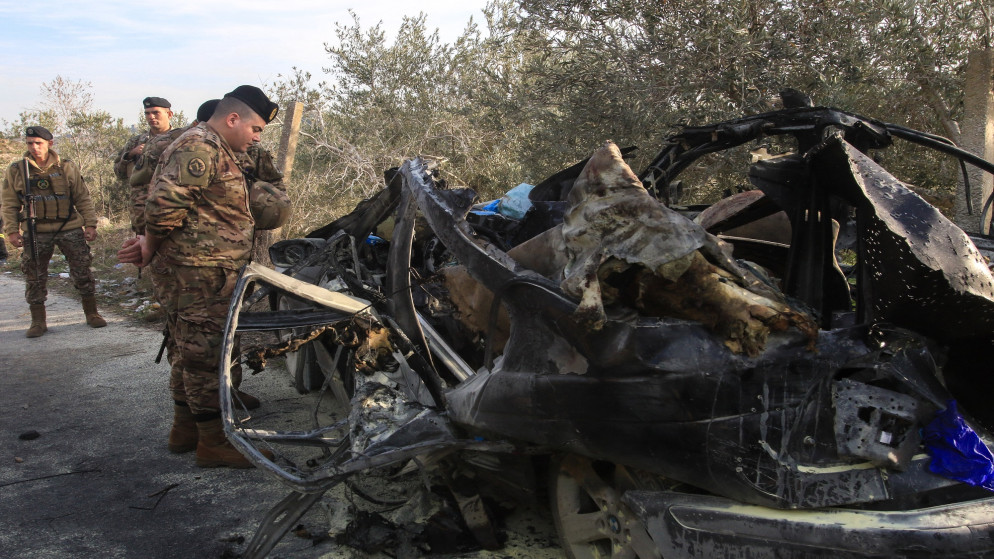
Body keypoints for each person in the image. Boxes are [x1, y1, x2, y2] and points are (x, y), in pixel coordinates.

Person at [118, 86, 280, 468]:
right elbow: (161, 210)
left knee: (189, 353)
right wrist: (149, 247)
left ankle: (185, 429)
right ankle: (213, 442)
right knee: (207, 358)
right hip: (198, 274)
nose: (257, 137)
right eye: (255, 128)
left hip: (200, 271)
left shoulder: (212, 146)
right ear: (233, 118)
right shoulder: (201, 147)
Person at [1, 126, 107, 337]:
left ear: (50, 144)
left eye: (38, 143)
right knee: (34, 276)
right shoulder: (17, 170)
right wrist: (11, 231)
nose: (34, 147)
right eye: (30, 143)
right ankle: (38, 321)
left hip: (69, 227)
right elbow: (9, 203)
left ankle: (92, 313)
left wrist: (91, 224)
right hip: (36, 230)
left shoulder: (66, 167)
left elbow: (82, 197)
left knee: (82, 270)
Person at [114, 97, 173, 222]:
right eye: (147, 113)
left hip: (171, 205)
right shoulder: (136, 141)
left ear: (169, 114)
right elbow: (119, 173)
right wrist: (130, 154)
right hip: (142, 209)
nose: (151, 117)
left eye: (156, 112)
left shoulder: (181, 140)